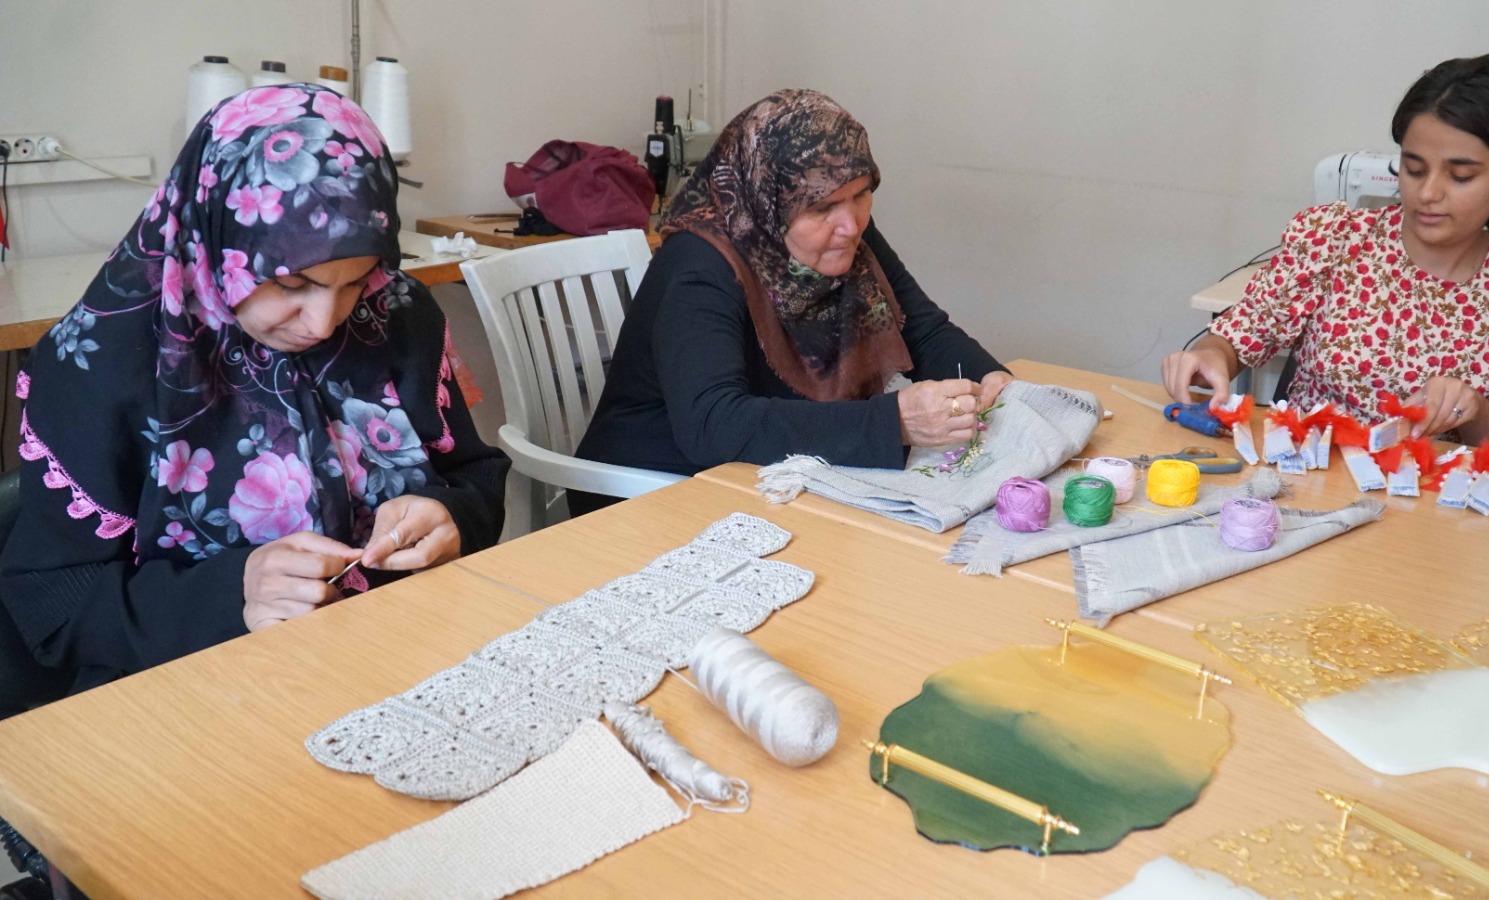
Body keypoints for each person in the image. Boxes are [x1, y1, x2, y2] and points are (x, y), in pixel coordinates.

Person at [0, 85, 509, 694]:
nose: (324, 322)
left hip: (397, 656)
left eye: (353, 281)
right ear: (219, 242)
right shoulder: (100, 361)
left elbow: (475, 475)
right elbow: (51, 604)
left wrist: (454, 518)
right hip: (198, 691)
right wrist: (231, 593)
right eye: (292, 284)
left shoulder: (395, 313)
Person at [570, 89, 1012, 515]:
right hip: (645, 492)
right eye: (822, 207)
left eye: (861, 194)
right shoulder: (701, 263)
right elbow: (713, 423)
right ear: (769, 200)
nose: (851, 224)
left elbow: (921, 329)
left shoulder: (845, 234)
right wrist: (893, 422)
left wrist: (997, 382)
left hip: (766, 473)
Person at [1162, 52, 1489, 456]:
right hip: (1309, 480)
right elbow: (1241, 334)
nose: (1428, 192)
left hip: (1439, 499)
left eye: (1460, 176)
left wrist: (1474, 409)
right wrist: (1211, 356)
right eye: (1414, 169)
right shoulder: (1332, 238)